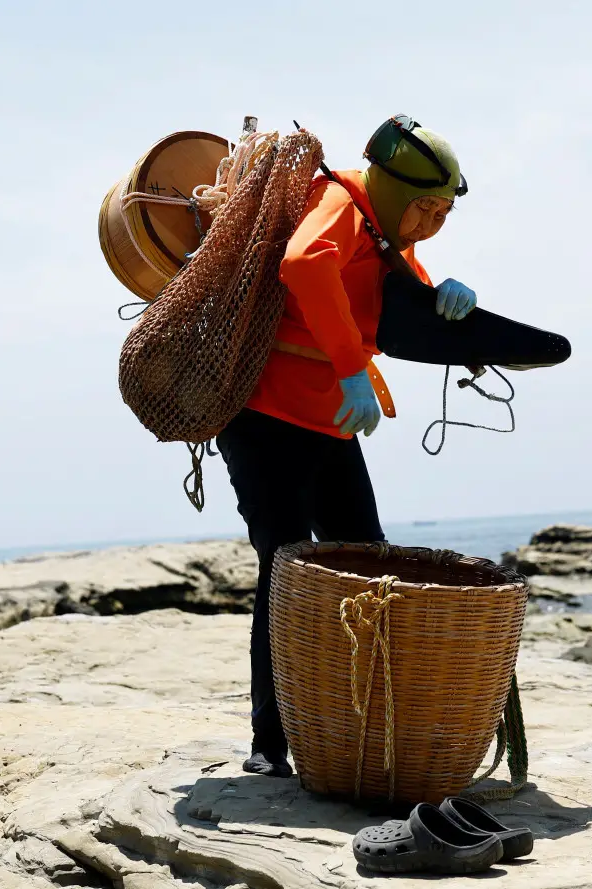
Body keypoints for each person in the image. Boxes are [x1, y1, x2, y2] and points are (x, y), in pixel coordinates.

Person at [214, 114, 478, 778]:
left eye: (443, 212)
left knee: (369, 561)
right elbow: (304, 264)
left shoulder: (383, 234)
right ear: (391, 188)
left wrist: (445, 299)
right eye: (425, 207)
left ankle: (369, 723)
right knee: (286, 567)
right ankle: (269, 744)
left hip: (328, 422)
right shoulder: (340, 201)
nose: (432, 223)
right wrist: (351, 369)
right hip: (267, 417)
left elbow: (394, 297)